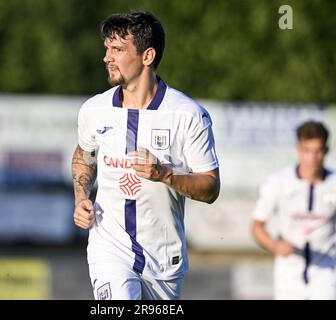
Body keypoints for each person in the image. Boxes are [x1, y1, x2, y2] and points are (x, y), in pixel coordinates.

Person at [71, 11, 220, 300]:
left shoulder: (188, 115)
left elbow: (211, 187)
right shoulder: (94, 109)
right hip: (109, 249)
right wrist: (81, 195)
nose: (107, 57)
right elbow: (83, 156)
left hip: (164, 261)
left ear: (147, 56)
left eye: (117, 49)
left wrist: (164, 174)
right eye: (107, 49)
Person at [251, 120, 336, 300]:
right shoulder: (278, 182)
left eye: (318, 151)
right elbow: (256, 226)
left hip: (327, 273)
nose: (312, 157)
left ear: (326, 151)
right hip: (288, 274)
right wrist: (275, 245)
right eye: (307, 150)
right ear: (298, 149)